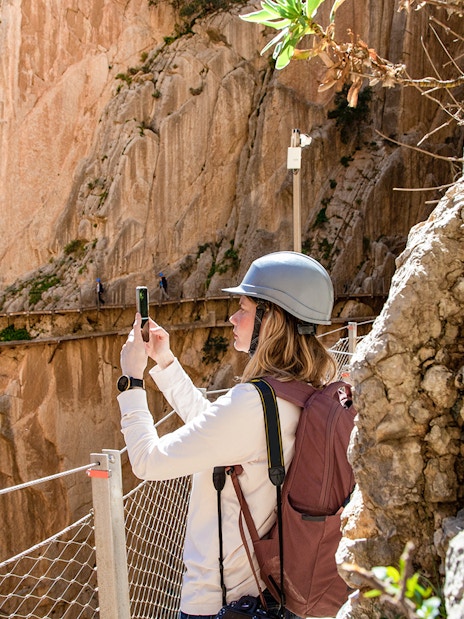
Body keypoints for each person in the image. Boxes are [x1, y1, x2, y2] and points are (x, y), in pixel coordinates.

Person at [117, 251, 337, 619]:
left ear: (273, 319)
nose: (233, 317)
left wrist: (131, 379)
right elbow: (217, 429)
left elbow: (146, 460)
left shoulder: (251, 403)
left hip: (218, 603)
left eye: (244, 307)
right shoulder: (304, 393)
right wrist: (166, 363)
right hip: (269, 594)